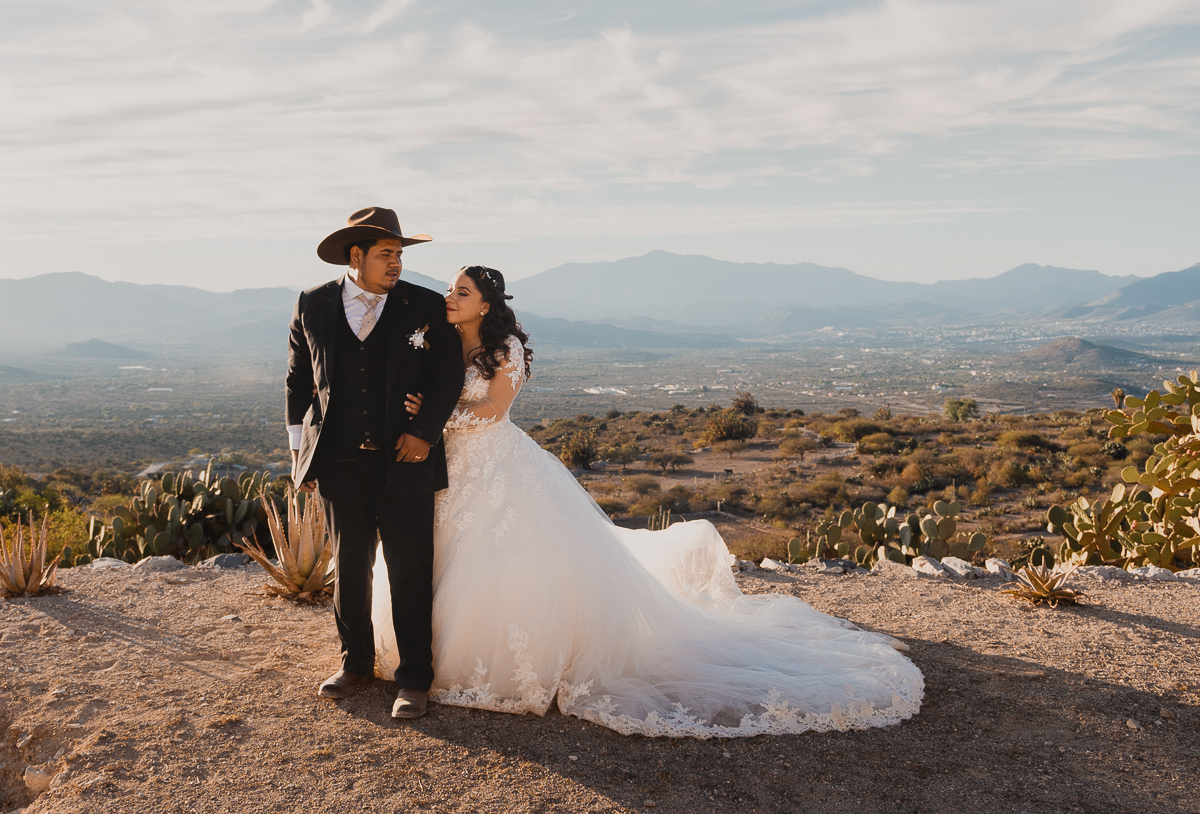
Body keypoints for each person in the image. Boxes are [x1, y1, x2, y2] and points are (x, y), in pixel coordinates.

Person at [372, 266, 923, 738]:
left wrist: (430, 419)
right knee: (435, 559)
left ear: (486, 305)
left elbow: (492, 410)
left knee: (508, 562)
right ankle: (422, 659)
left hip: (497, 465)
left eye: (461, 292)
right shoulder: (444, 340)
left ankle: (501, 664)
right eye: (450, 289)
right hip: (448, 471)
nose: (449, 297)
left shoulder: (505, 348)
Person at [286, 207, 464, 719]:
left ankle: (414, 679)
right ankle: (356, 661)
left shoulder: (426, 305)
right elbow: (299, 379)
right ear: (356, 255)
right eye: (388, 254)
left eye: (401, 255)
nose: (397, 264)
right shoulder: (313, 304)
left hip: (407, 459)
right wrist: (300, 452)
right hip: (339, 462)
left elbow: (448, 373)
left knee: (410, 568)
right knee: (350, 565)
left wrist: (424, 433)